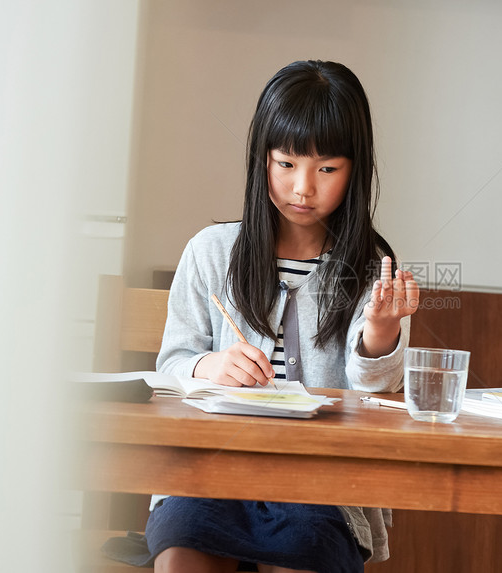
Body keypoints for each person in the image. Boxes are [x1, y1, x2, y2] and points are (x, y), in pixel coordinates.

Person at [144, 60, 417, 573]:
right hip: (211, 469)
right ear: (260, 161)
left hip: (320, 480)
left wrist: (381, 332)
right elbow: (172, 364)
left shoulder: (368, 266)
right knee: (182, 554)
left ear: (355, 169)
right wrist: (208, 368)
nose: (303, 188)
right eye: (286, 164)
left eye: (327, 169)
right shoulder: (210, 252)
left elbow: (375, 393)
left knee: (307, 551)